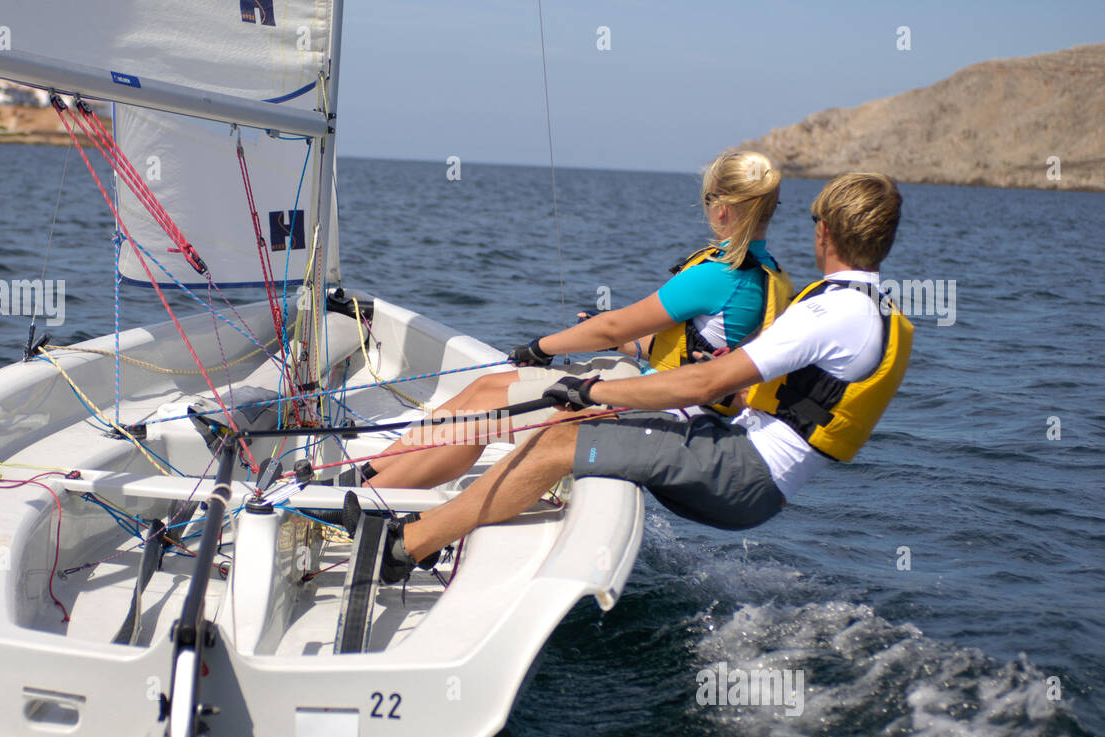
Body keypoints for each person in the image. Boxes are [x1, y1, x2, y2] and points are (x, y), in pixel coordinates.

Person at [347, 171, 913, 584]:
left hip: (745, 475)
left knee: (555, 444)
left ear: (823, 233)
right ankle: (403, 515)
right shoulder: (870, 306)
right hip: (748, 462)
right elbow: (767, 395)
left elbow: (697, 390)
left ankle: (403, 548)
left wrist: (594, 390)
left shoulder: (832, 310)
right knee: (560, 432)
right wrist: (717, 380)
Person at [352, 150, 792, 491]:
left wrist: (541, 348)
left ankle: (373, 498)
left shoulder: (718, 274)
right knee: (485, 387)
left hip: (666, 408)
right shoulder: (768, 273)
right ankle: (370, 471)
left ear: (720, 209)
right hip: (664, 391)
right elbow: (670, 347)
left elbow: (614, 328)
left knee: (480, 416)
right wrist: (614, 344)